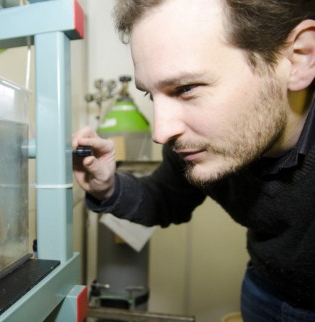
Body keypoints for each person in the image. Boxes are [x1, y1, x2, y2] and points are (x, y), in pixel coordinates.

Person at [72, 0, 315, 320]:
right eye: (150, 95)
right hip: (263, 288)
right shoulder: (197, 144)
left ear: (298, 59)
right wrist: (107, 188)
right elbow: (165, 198)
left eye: (186, 88)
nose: (162, 132)